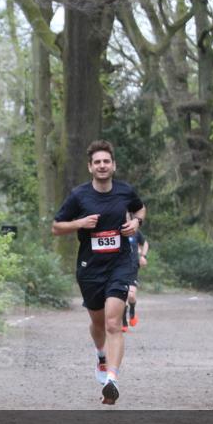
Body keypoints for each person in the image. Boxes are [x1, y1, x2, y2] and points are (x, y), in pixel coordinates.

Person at [52, 140, 146, 405]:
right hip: (90, 267)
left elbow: (140, 208)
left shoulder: (125, 191)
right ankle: (101, 356)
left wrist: (136, 222)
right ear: (90, 167)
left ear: (113, 165)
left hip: (120, 264)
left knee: (114, 323)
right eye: (97, 162)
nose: (102, 166)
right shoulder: (79, 196)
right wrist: (80, 223)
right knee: (97, 322)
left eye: (106, 161)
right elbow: (56, 227)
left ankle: (111, 380)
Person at [122, 225, 149, 331]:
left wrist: (143, 256)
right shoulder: (115, 230)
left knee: (131, 296)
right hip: (119, 268)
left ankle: (132, 310)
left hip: (132, 267)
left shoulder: (135, 231)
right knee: (122, 295)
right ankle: (124, 323)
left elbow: (145, 243)